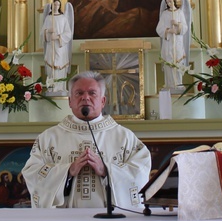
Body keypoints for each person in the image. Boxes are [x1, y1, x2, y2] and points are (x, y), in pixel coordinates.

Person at [22, 71, 151, 210]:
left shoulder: (124, 137)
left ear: (102, 101)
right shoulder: (49, 138)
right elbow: (33, 173)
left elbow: (140, 172)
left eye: (92, 93)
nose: (85, 98)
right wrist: (67, 171)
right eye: (79, 93)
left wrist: (106, 170)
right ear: (70, 101)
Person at [156, 0, 190, 89]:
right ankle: (170, 84)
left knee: (178, 63)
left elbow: (185, 27)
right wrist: (168, 31)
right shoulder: (165, 14)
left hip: (177, 43)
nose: (169, 4)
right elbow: (159, 29)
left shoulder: (180, 13)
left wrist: (177, 24)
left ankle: (178, 83)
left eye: (170, 1)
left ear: (174, 1)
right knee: (169, 64)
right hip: (168, 43)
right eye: (167, 2)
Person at [41, 0, 74, 95]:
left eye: (58, 5)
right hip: (51, 46)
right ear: (52, 6)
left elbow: (68, 33)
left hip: (60, 46)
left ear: (60, 6)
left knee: (60, 68)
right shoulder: (48, 18)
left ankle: (60, 87)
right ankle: (52, 87)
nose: (56, 6)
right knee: (52, 68)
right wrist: (47, 32)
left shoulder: (63, 18)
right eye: (55, 4)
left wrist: (59, 37)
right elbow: (41, 33)